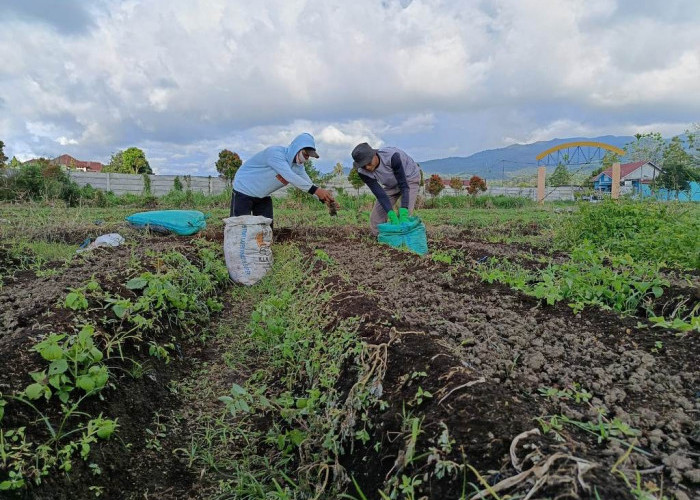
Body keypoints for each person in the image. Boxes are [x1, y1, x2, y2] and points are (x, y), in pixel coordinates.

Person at [231, 133, 335, 220]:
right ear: (297, 149)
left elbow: (308, 184)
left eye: (308, 156)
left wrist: (324, 199)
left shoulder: (297, 167)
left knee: (265, 229)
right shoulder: (275, 154)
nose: (306, 159)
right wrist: (317, 191)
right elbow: (290, 176)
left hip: (263, 196)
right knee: (239, 227)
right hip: (243, 190)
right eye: (305, 154)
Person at [351, 142, 421, 236]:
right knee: (375, 219)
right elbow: (380, 194)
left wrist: (404, 209)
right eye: (363, 165)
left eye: (368, 163)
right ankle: (384, 241)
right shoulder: (362, 172)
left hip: (409, 178)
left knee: (405, 216)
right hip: (391, 185)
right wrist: (390, 213)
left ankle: (404, 242)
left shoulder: (392, 157)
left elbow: (404, 185)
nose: (367, 167)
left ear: (374, 154)